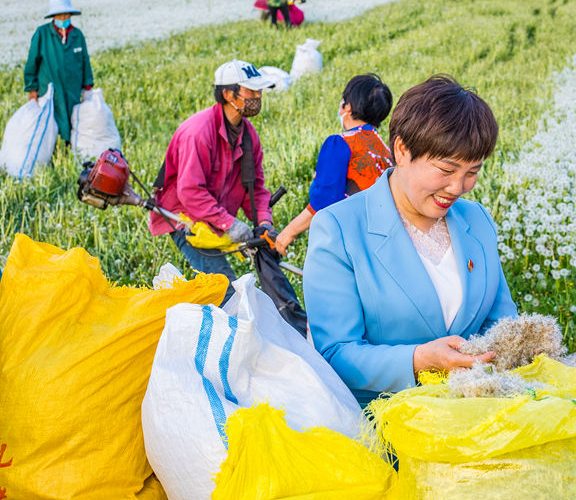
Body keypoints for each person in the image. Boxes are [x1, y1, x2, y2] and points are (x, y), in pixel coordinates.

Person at [303, 75, 518, 405]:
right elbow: (335, 353)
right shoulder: (340, 228)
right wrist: (417, 361)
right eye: (446, 170)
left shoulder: (476, 220)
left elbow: (501, 323)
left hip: (477, 411)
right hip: (381, 424)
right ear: (402, 150)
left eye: (472, 172)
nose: (458, 187)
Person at [148, 59, 306, 333]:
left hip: (216, 214)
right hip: (185, 218)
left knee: (249, 282)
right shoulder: (198, 132)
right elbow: (190, 192)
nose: (257, 98)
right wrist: (229, 224)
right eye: (251, 92)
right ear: (228, 95)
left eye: (259, 93)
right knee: (225, 289)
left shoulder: (248, 135)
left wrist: (264, 223)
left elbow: (255, 188)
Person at [275, 74, 394, 255]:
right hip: (386, 239)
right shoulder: (385, 149)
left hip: (354, 242)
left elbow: (325, 201)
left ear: (347, 107)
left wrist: (288, 233)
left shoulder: (340, 143)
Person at [23, 0, 94, 144]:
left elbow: (85, 61)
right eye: (60, 15)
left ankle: (69, 150)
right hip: (50, 89)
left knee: (72, 119)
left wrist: (87, 86)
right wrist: (32, 89)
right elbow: (32, 62)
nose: (63, 17)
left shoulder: (77, 35)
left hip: (73, 89)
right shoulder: (42, 34)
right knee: (52, 121)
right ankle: (55, 151)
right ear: (53, 16)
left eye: (66, 15)